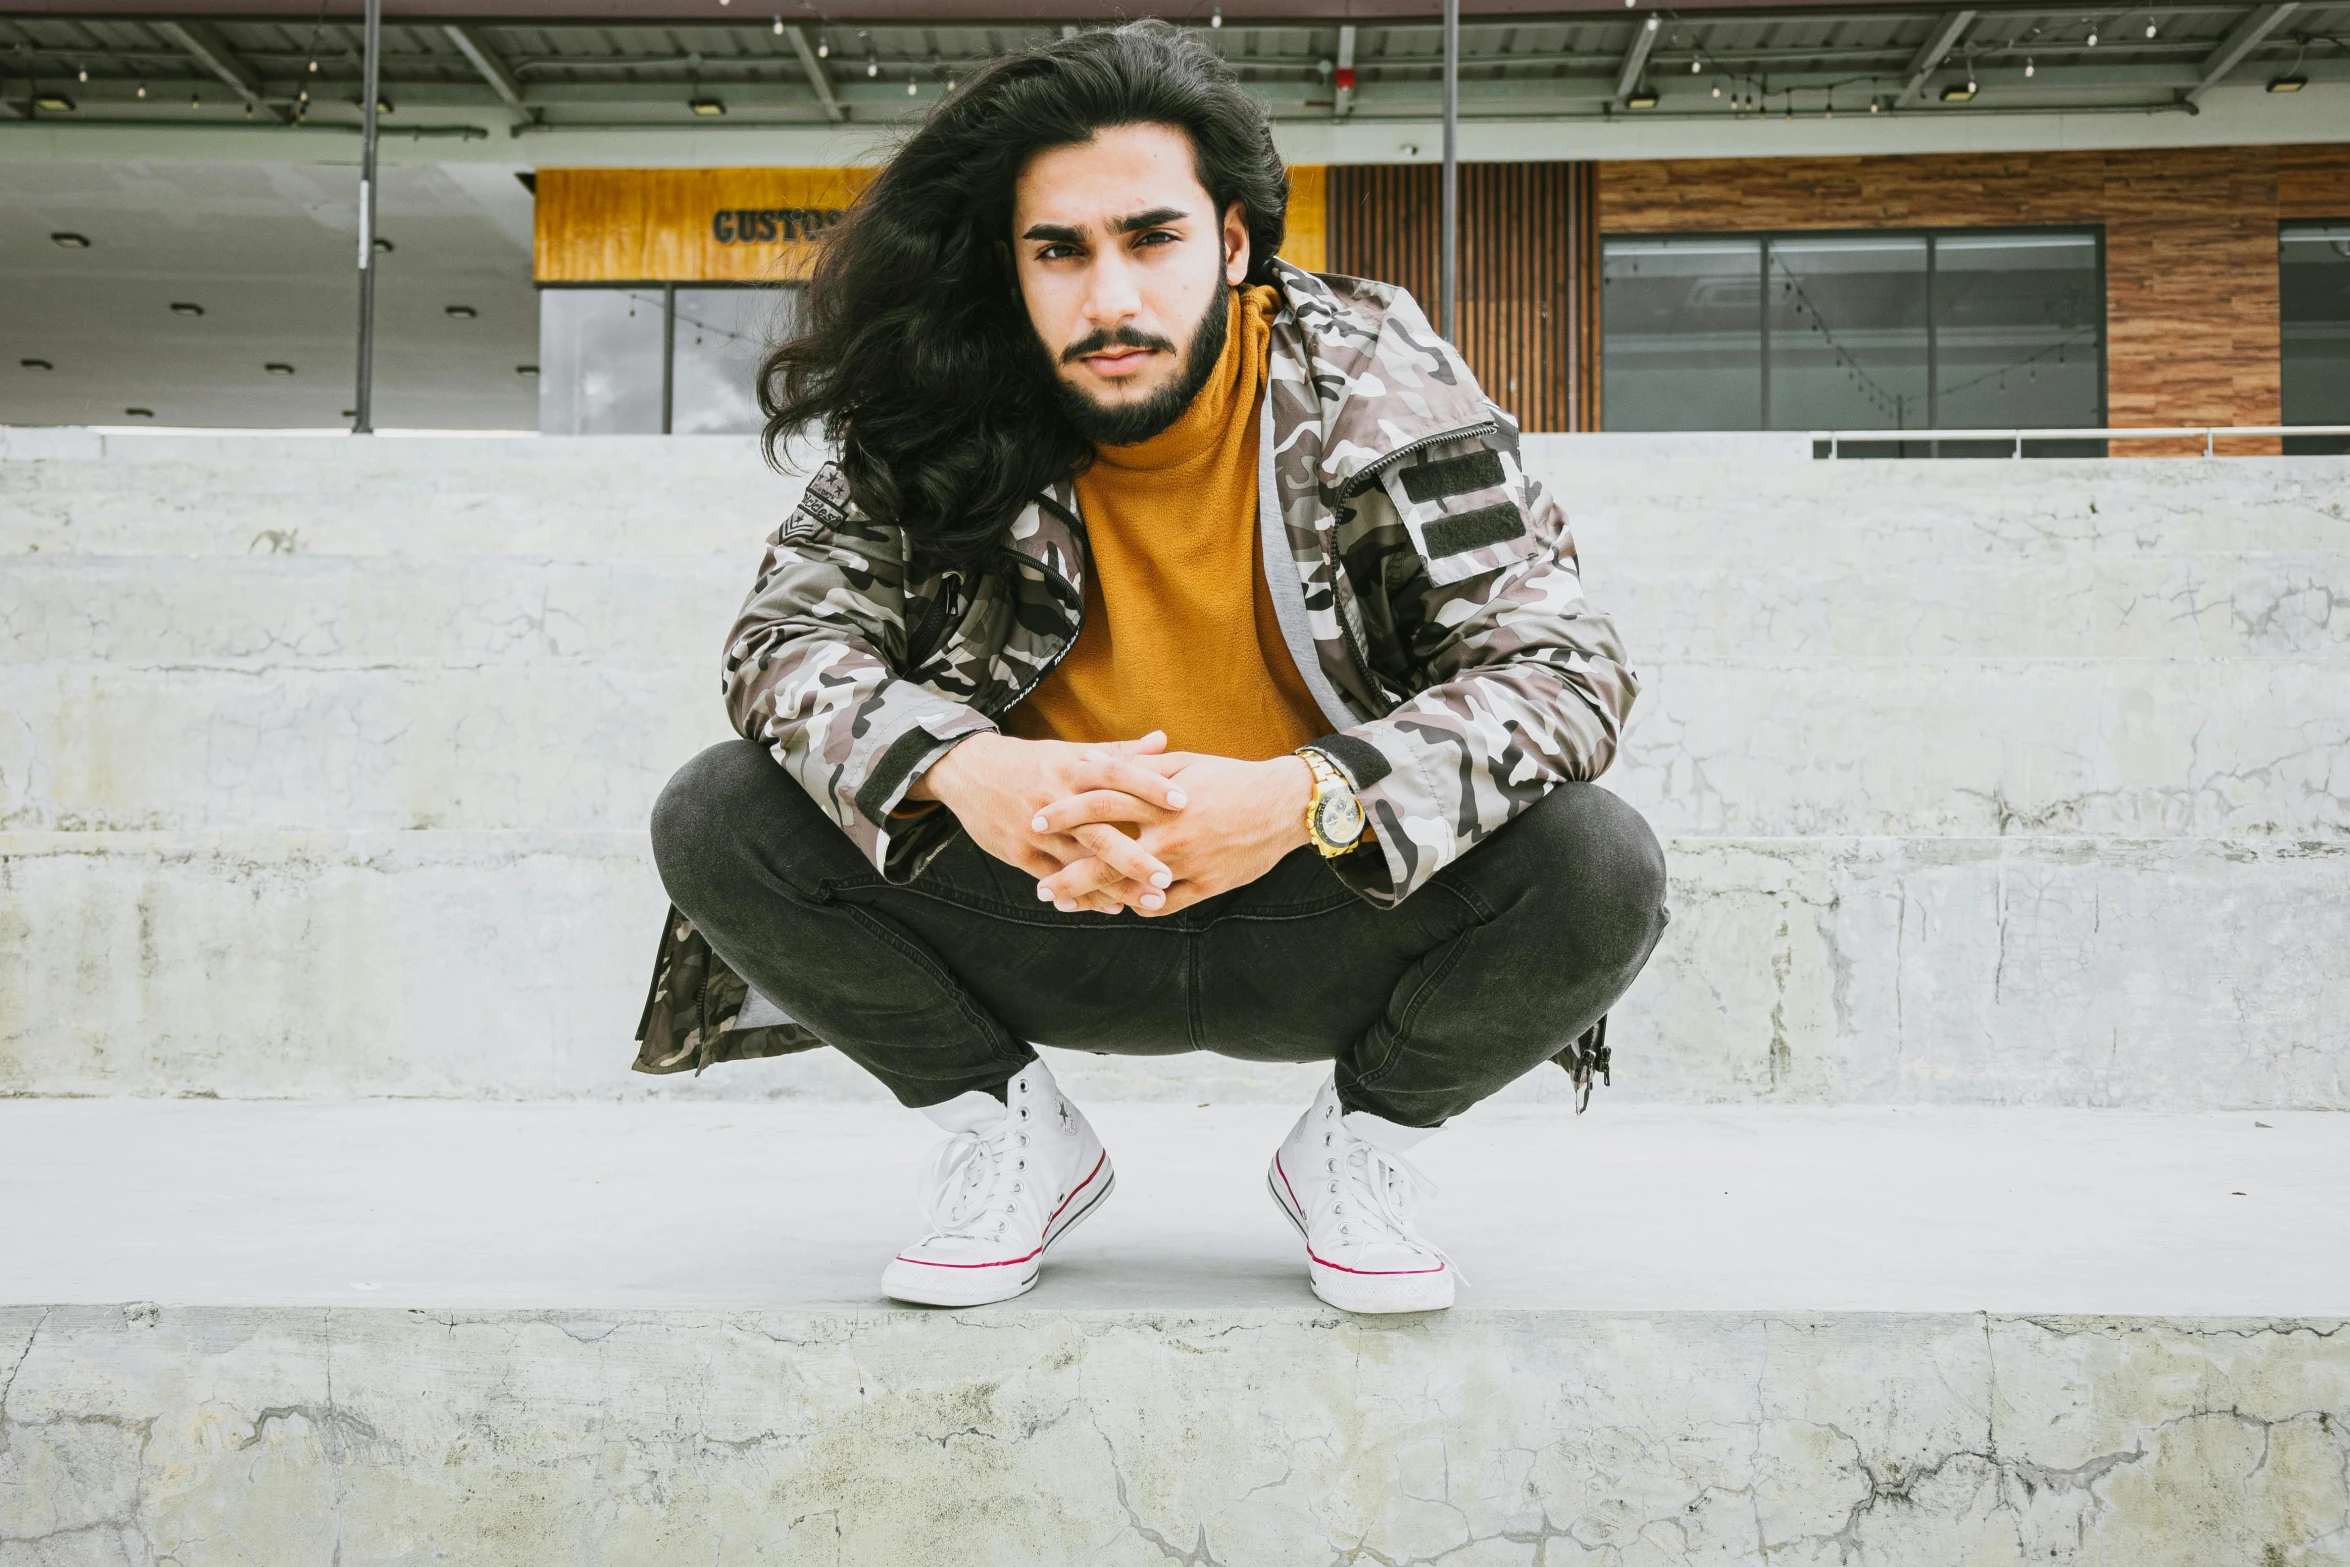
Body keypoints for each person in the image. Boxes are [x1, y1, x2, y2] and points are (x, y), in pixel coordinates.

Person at [641, 20, 1665, 1315]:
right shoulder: (944, 393)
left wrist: (1303, 799)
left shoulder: (1374, 383)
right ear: (1011, 265)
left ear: (1234, 243)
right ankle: (1008, 1129)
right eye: (1058, 250)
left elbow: (1560, 666)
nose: (1107, 295)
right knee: (718, 815)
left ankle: (1363, 1141)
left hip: (1329, 903)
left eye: (1152, 237)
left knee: (1597, 863)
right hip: (1038, 901)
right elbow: (782, 640)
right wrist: (966, 770)